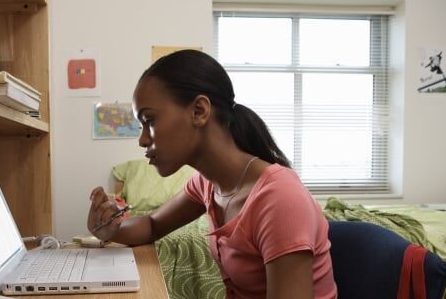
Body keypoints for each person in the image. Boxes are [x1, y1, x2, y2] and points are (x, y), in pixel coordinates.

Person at [87, 50, 336, 299]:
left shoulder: (279, 199)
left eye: (149, 121)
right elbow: (152, 225)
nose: (142, 140)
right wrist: (111, 230)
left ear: (199, 111)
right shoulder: (207, 185)